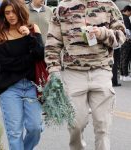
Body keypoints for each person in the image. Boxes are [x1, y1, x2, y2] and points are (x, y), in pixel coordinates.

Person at [45, 0, 126, 150]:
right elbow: (53, 41)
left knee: (103, 126)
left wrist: (102, 33)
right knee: (75, 124)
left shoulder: (108, 5)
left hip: (101, 71)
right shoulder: (62, 7)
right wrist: (53, 69)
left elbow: (121, 37)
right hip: (73, 73)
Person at [0, 0, 44, 150]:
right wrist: (29, 58)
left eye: (13, 11)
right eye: (7, 13)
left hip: (31, 87)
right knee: (15, 133)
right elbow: (5, 65)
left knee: (35, 128)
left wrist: (29, 37)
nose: (11, 15)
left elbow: (40, 54)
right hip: (9, 89)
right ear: (3, 15)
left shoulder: (32, 29)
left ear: (20, 11)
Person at [120, 5, 131, 81]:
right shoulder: (126, 18)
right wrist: (129, 37)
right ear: (127, 11)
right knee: (125, 58)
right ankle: (125, 75)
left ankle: (122, 75)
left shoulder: (120, 17)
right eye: (130, 12)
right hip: (126, 40)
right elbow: (127, 30)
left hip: (121, 39)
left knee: (122, 58)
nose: (130, 14)